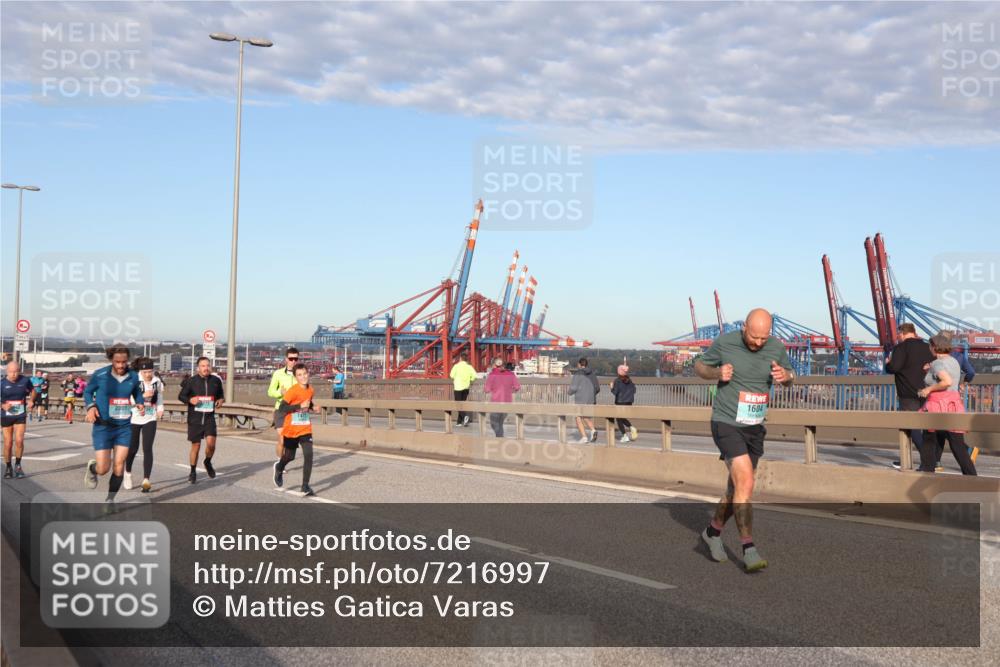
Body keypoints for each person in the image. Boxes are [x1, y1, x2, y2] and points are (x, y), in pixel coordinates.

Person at [694, 308, 794, 572]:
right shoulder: (726, 342)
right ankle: (748, 548)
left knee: (737, 490)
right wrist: (717, 374)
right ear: (744, 328)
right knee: (746, 481)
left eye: (764, 338)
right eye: (754, 337)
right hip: (726, 422)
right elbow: (700, 365)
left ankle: (712, 533)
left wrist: (786, 377)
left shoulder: (776, 347)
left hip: (755, 427)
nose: (759, 343)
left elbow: (791, 376)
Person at [82, 346, 146, 503]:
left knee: (119, 465)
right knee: (103, 469)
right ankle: (92, 468)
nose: (121, 366)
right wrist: (90, 407)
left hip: (124, 427)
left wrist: (140, 402)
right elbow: (88, 392)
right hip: (103, 426)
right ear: (111, 360)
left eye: (124, 362)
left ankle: (110, 500)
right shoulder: (100, 374)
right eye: (117, 362)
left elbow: (137, 392)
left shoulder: (133, 376)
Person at [916, 333, 976, 475]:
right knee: (958, 446)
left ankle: (927, 474)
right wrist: (930, 371)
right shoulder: (954, 361)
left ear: (935, 347)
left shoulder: (937, 363)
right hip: (953, 404)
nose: (929, 348)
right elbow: (951, 380)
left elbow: (946, 381)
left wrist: (928, 389)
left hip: (937, 405)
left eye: (930, 346)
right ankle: (972, 478)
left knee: (929, 442)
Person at [885, 323, 935, 470]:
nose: (897, 338)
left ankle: (927, 461)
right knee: (926, 428)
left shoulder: (901, 348)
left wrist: (888, 364)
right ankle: (920, 459)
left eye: (898, 335)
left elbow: (894, 367)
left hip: (908, 393)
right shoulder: (927, 347)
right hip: (927, 391)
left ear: (901, 333)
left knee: (909, 426)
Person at [178, 356, 225, 483]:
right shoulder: (191, 381)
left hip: (209, 417)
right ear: (198, 368)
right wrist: (190, 400)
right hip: (195, 419)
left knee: (211, 444)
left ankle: (207, 462)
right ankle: (192, 471)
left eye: (208, 365)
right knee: (196, 446)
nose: (206, 368)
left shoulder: (216, 380)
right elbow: (181, 396)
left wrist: (220, 400)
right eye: (203, 366)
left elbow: (221, 395)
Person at [272, 363, 317, 496]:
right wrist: (299, 405)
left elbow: (308, 402)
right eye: (299, 375)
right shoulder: (292, 391)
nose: (303, 377)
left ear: (308, 373)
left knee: (309, 455)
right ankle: (279, 467)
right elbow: (282, 408)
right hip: (292, 428)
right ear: (296, 377)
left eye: (304, 374)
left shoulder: (311, 390)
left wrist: (313, 407)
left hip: (305, 427)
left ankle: (305, 486)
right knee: (289, 456)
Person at [125, 357, 165, 493]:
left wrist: (160, 409)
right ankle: (127, 472)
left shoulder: (157, 381)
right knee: (132, 449)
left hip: (150, 416)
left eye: (150, 371)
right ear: (140, 372)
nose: (148, 374)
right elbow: (127, 398)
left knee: (147, 448)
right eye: (145, 372)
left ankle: (146, 480)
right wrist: (141, 397)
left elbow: (159, 396)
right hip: (134, 417)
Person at [2, 361, 35, 479]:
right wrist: (2, 405)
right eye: (11, 372)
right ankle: (8, 467)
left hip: (20, 414)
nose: (14, 374)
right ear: (7, 371)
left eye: (16, 371)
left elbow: (33, 390)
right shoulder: (2, 383)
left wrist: (32, 400)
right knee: (8, 443)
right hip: (6, 416)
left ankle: (18, 466)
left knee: (20, 441)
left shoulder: (25, 380)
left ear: (19, 371)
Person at [268, 348, 299, 457]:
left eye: (296, 359)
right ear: (286, 359)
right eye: (291, 359)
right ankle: (279, 462)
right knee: (282, 439)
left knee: (290, 442)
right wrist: (280, 392)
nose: (293, 361)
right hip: (281, 410)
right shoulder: (278, 373)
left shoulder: (300, 374)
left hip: (295, 411)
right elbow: (270, 391)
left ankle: (285, 460)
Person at [483, 357, 520, 437]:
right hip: (507, 402)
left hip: (496, 403)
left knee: (494, 423)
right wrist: (510, 390)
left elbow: (486, 389)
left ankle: (500, 438)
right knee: (500, 423)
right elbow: (517, 387)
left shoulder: (492, 374)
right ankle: (500, 438)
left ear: (495, 365)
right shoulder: (511, 374)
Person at [568, 357, 599, 443]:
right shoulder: (592, 374)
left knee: (578, 417)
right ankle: (593, 430)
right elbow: (597, 388)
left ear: (579, 364)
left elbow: (573, 388)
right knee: (585, 416)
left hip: (580, 399)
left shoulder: (578, 374)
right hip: (591, 399)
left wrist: (569, 392)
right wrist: (591, 395)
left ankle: (584, 437)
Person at [611, 364, 639, 443]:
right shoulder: (630, 380)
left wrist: (611, 387)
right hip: (629, 402)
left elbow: (615, 392)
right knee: (621, 418)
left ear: (619, 372)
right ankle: (631, 428)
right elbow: (634, 391)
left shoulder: (617, 380)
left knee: (619, 418)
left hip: (620, 402)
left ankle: (625, 435)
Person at [449, 353, 477, 427]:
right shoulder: (469, 367)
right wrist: (470, 379)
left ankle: (465, 416)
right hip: (466, 387)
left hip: (458, 387)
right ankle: (459, 422)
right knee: (462, 404)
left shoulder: (456, 366)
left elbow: (451, 375)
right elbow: (474, 376)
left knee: (458, 405)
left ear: (460, 358)